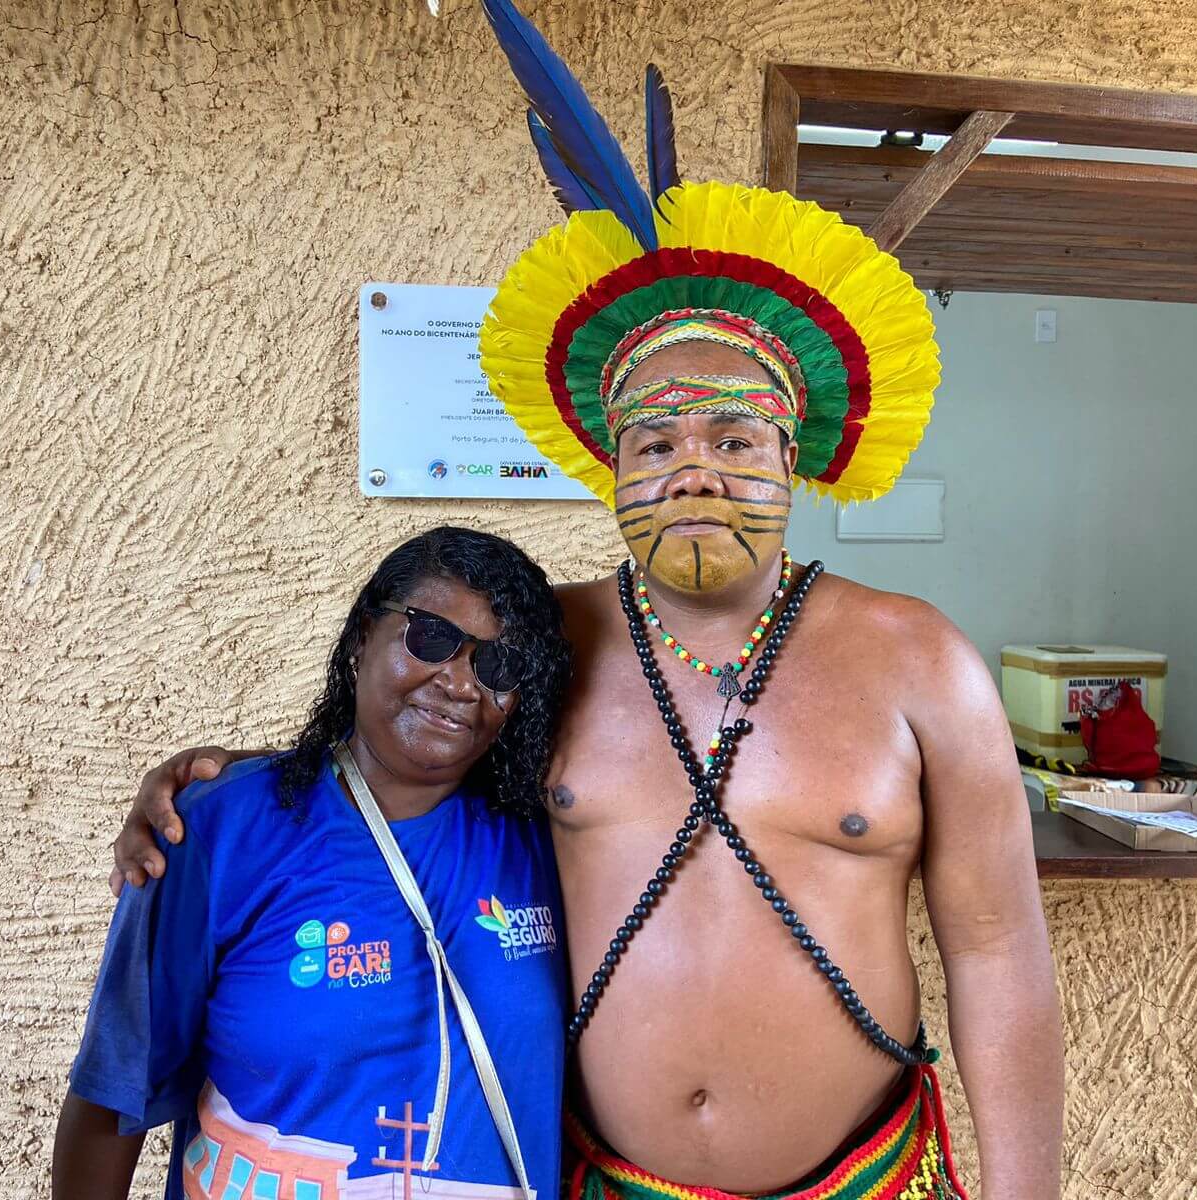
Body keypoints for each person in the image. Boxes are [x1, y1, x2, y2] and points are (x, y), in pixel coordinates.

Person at [111, 4, 1066, 1197]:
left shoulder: (921, 663)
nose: (695, 468)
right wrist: (230, 776)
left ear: (797, 455)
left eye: (734, 433)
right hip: (599, 1178)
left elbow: (996, 951)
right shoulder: (536, 647)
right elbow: (400, 756)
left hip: (870, 1174)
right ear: (607, 466)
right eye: (653, 438)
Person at [54, 526, 573, 1199]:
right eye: (432, 638)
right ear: (362, 635)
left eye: (501, 667)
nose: (461, 682)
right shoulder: (216, 829)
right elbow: (110, 1097)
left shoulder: (548, 841)